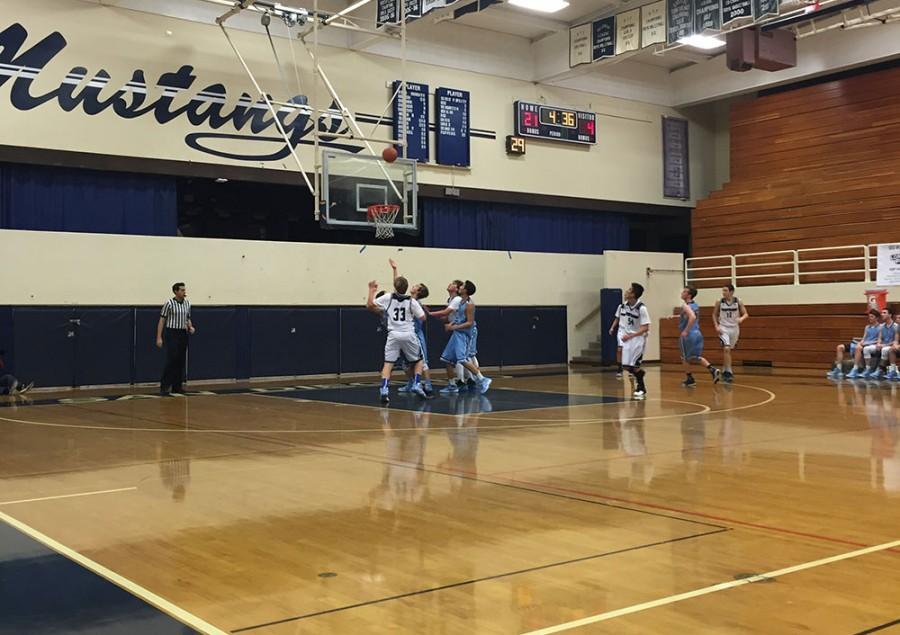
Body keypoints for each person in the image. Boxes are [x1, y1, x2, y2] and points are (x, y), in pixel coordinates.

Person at [367, 277, 427, 404]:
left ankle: (384, 389)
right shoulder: (412, 301)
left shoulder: (388, 297)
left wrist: (371, 290)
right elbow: (422, 317)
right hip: (408, 334)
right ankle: (416, 383)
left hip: (393, 334)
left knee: (388, 363)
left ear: (394, 286)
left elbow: (370, 305)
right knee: (419, 361)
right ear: (407, 288)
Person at [389, 259, 434, 395]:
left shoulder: (415, 303)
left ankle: (428, 385)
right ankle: (412, 382)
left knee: (422, 361)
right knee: (405, 363)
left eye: (416, 285)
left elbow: (422, 319)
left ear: (418, 291)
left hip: (415, 335)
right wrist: (395, 270)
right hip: (406, 335)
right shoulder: (408, 300)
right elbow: (398, 286)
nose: (413, 286)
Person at [439, 280, 491, 394]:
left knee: (462, 359)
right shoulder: (461, 302)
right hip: (457, 333)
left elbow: (469, 323)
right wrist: (451, 325)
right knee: (446, 359)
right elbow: (458, 318)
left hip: (464, 335)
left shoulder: (469, 304)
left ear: (465, 290)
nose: (460, 287)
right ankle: (452, 385)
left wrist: (454, 327)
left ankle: (482, 379)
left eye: (462, 286)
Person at [667, 286, 721, 387]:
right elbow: (689, 315)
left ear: (689, 295)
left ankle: (690, 379)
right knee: (695, 357)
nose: (682, 293)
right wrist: (675, 316)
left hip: (689, 334)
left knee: (684, 358)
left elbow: (692, 317)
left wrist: (686, 331)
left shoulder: (685, 306)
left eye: (684, 291)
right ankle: (712, 370)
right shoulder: (695, 305)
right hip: (697, 333)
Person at [156, 282, 195, 395]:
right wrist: (159, 337)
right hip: (172, 333)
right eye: (182, 290)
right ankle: (165, 385)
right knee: (172, 359)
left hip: (182, 333)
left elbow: (187, 318)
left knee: (181, 360)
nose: (184, 292)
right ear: (176, 291)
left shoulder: (187, 303)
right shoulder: (169, 303)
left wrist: (190, 327)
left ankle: (177, 386)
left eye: (184, 290)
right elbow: (162, 320)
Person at [618, 283, 650, 399]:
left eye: (629, 290)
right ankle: (640, 374)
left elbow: (645, 327)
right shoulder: (625, 305)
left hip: (638, 338)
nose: (626, 291)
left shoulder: (642, 308)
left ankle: (641, 388)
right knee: (626, 366)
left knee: (635, 365)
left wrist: (631, 335)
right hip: (628, 337)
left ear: (633, 294)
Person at [712, 284, 749, 384]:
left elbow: (746, 314)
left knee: (728, 350)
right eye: (723, 290)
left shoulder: (738, 301)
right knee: (726, 349)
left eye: (725, 290)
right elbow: (714, 314)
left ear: (731, 292)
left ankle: (725, 369)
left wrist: (741, 318)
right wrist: (716, 326)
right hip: (723, 328)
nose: (723, 292)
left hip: (735, 328)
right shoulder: (719, 301)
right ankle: (729, 372)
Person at [831, 309, 881, 379]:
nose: (870, 318)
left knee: (858, 348)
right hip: (863, 343)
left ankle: (855, 369)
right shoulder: (867, 327)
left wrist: (864, 344)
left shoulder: (880, 327)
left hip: (871, 345)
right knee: (840, 347)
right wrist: (860, 343)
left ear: (877, 318)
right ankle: (838, 369)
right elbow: (864, 338)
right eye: (869, 316)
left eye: (872, 316)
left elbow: (878, 340)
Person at [872, 307, 898, 379]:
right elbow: (880, 338)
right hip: (883, 345)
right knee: (866, 349)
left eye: (884, 313)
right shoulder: (881, 326)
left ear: (890, 315)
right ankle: (868, 369)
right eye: (881, 313)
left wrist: (883, 345)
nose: (882, 314)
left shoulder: (895, 326)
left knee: (885, 350)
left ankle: (880, 369)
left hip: (890, 345)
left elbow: (896, 341)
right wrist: (878, 343)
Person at [608, 299, 629, 378]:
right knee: (619, 349)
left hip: (630, 331)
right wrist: (612, 327)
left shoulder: (636, 308)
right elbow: (617, 318)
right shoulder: (621, 307)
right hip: (621, 330)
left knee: (629, 350)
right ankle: (620, 367)